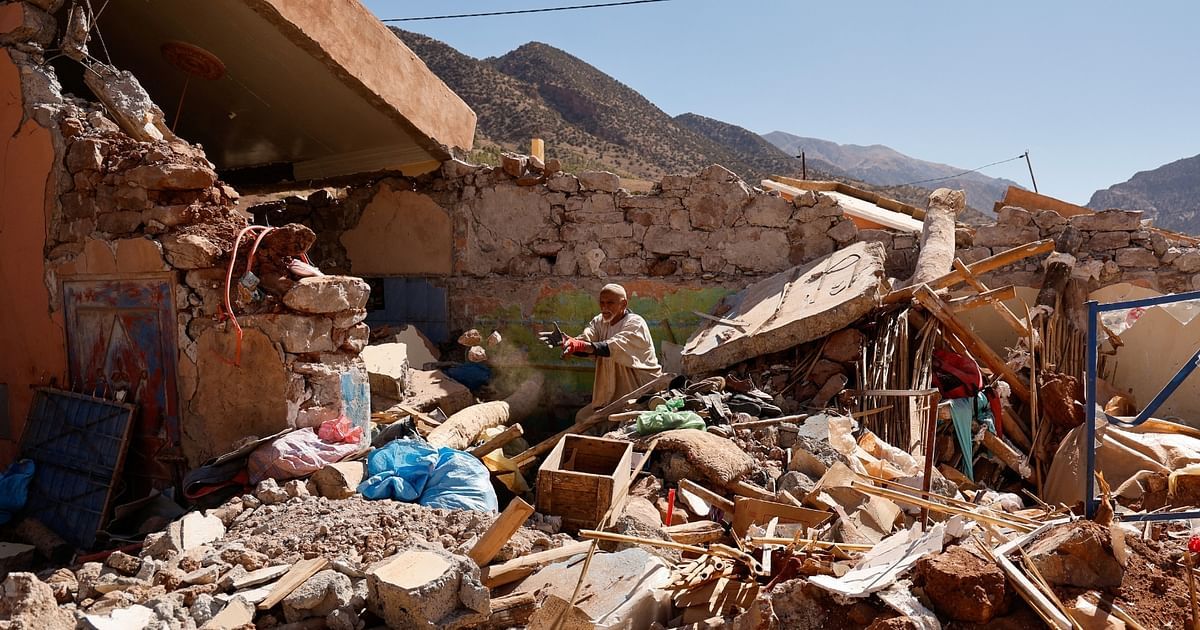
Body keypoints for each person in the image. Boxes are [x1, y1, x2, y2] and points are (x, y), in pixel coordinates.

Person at [543, 284, 662, 421]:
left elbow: (609, 347)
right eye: (602, 303)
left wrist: (579, 345)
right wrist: (568, 343)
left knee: (619, 425)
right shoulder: (599, 321)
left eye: (610, 303)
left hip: (640, 395)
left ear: (623, 304)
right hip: (612, 398)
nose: (604, 307)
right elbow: (587, 343)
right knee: (582, 418)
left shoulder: (635, 324)